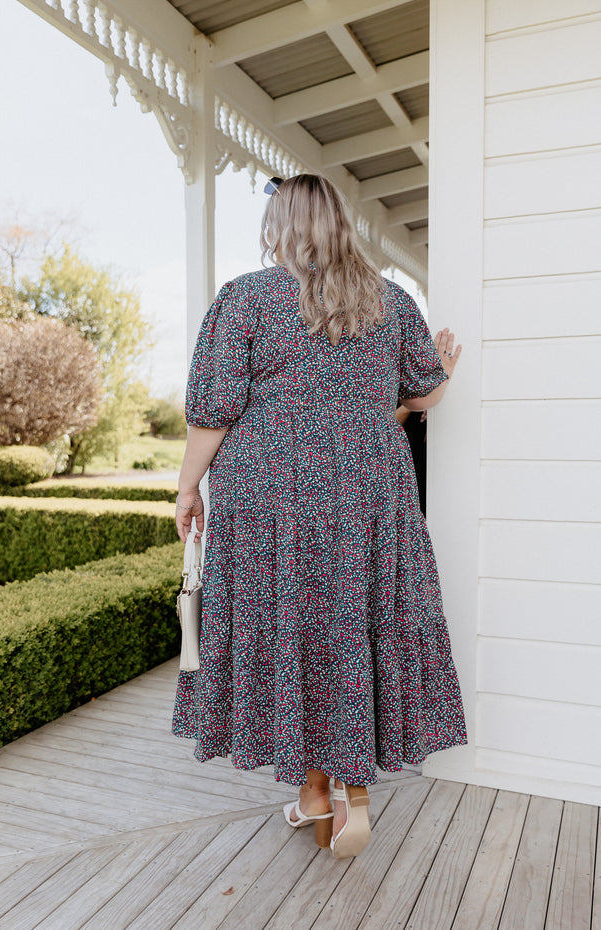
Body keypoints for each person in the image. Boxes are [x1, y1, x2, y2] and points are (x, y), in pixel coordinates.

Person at [172, 173, 467, 860]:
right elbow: (422, 397)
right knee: (352, 622)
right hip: (368, 488)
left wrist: (188, 489)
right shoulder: (390, 301)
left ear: (281, 224)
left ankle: (319, 792)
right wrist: (443, 372)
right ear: (341, 225)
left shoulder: (245, 298)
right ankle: (330, 792)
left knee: (294, 627)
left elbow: (212, 411)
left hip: (270, 490)